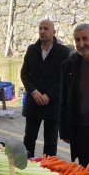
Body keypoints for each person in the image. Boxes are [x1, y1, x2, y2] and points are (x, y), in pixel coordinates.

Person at [20, 19, 71, 157]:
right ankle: (26, 166)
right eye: (40, 28)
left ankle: (48, 168)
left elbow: (64, 79)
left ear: (54, 32)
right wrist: (34, 92)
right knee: (29, 138)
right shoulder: (32, 49)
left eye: (46, 29)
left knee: (50, 142)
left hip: (52, 104)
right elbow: (24, 74)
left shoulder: (63, 52)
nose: (42, 31)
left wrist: (49, 95)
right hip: (34, 102)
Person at [60, 23, 89, 168]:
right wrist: (65, 130)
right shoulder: (69, 64)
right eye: (77, 40)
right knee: (85, 170)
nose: (81, 44)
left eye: (85, 39)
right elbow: (65, 97)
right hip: (80, 128)